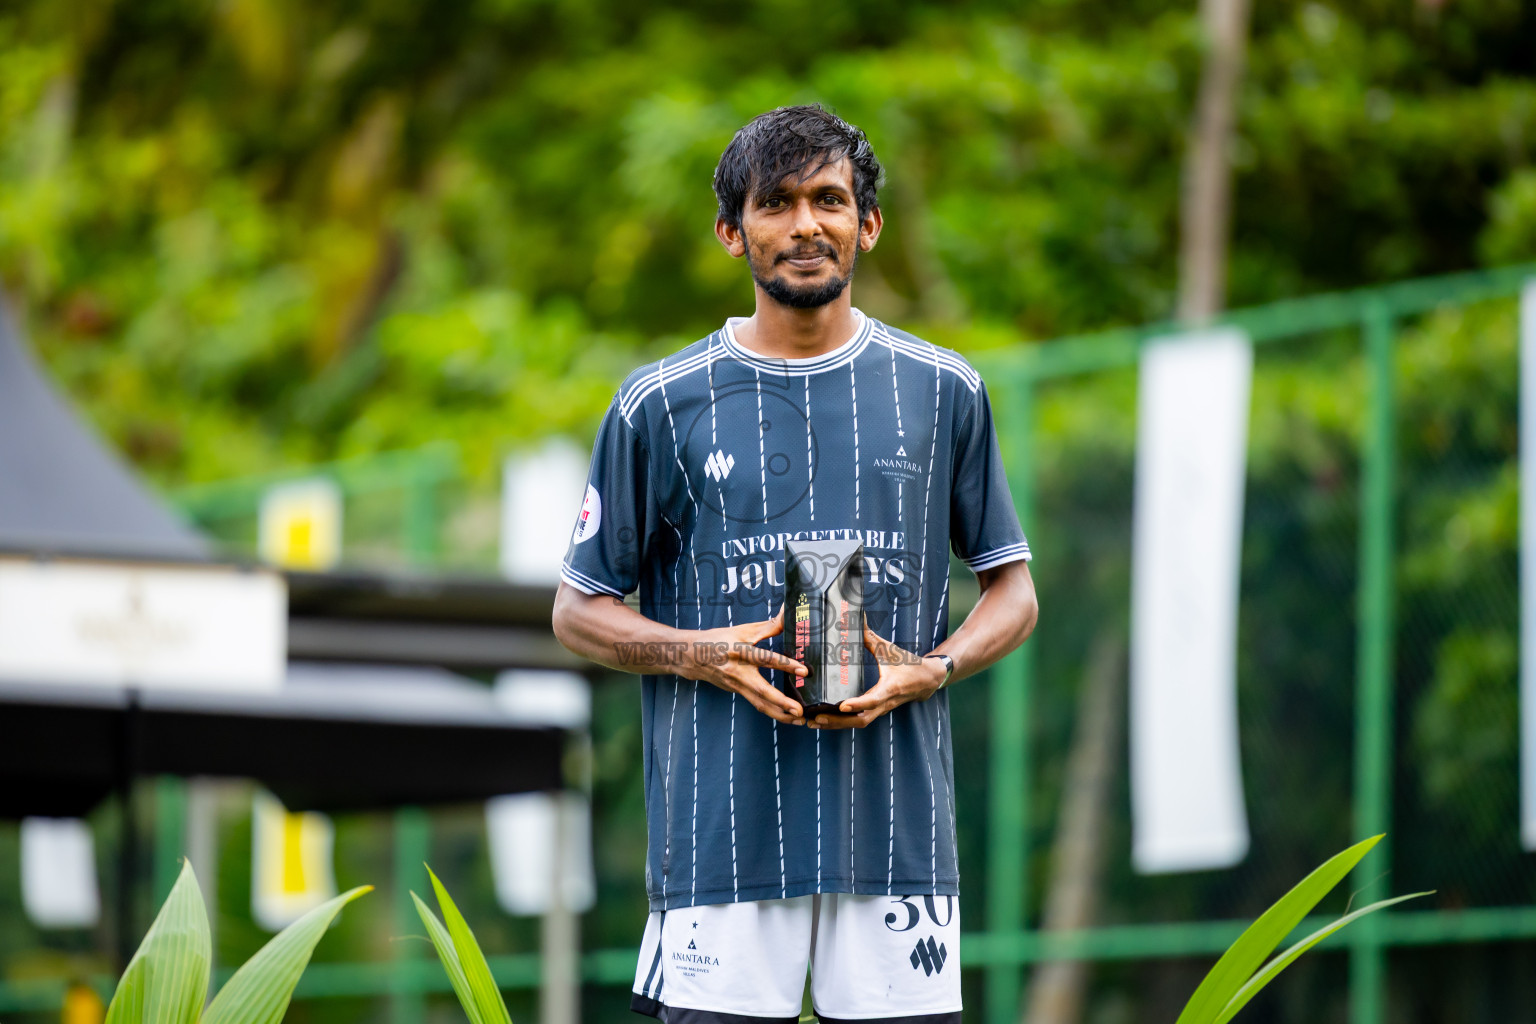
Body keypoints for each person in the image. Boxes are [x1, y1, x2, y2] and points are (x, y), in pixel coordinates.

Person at [551, 104, 1039, 1024]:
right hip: (720, 848)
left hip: (896, 845)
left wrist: (932, 670)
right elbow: (578, 612)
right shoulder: (658, 404)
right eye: (776, 203)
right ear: (734, 232)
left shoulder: (942, 391)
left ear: (869, 224)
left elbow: (1013, 593)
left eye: (830, 199)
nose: (806, 224)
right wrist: (701, 653)